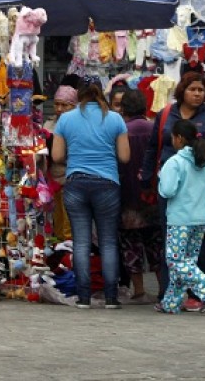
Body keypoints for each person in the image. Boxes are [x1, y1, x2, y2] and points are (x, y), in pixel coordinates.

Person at [140, 71, 205, 311]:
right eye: (193, 89)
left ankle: (204, 291)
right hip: (178, 201)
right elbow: (152, 150)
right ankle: (170, 300)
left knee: (187, 252)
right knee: (175, 250)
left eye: (201, 90)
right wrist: (148, 180)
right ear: (183, 90)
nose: (198, 94)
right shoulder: (166, 114)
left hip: (198, 196)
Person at [51, 82, 130, 309]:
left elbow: (57, 156)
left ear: (79, 97)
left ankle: (84, 297)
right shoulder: (115, 119)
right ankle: (111, 298)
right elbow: (125, 156)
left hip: (76, 183)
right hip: (107, 184)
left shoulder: (66, 119)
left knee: (81, 242)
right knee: (107, 242)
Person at [155, 119, 205, 314]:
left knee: (175, 261)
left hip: (179, 219)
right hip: (200, 220)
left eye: (173, 137)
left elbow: (167, 191)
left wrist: (160, 177)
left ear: (179, 138)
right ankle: (171, 303)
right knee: (187, 261)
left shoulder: (175, 162)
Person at [118, 89, 164, 305]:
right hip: (153, 197)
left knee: (131, 246)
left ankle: (139, 290)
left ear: (123, 108)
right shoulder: (155, 129)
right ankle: (164, 287)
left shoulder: (122, 131)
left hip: (128, 198)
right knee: (156, 246)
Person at [43, 85, 78, 241]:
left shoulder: (78, 126)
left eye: (64, 105)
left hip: (70, 179)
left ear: (74, 106)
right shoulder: (48, 125)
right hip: (52, 179)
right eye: (56, 104)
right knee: (56, 218)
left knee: (69, 221)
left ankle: (68, 252)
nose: (59, 108)